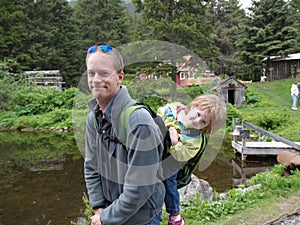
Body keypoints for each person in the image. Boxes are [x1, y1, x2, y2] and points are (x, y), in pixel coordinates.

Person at [84, 44, 165, 225]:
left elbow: (140, 188)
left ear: (120, 77)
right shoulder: (93, 118)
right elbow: (91, 166)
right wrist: (99, 208)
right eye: (91, 73)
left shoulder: (139, 122)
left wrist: (105, 218)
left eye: (104, 73)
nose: (96, 80)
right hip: (110, 212)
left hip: (142, 218)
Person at [157, 94, 227, 225]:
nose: (197, 120)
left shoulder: (195, 139)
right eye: (199, 114)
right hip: (157, 152)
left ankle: (174, 214)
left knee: (169, 183)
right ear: (194, 105)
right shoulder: (175, 110)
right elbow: (161, 113)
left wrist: (175, 143)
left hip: (172, 161)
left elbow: (183, 155)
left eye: (203, 122)